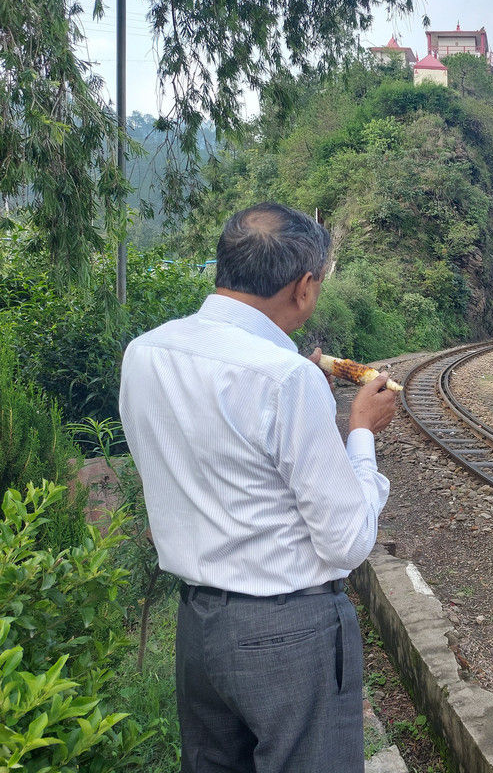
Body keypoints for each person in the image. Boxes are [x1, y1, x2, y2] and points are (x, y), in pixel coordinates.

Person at [119, 202, 397, 773]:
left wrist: (305, 384)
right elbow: (346, 540)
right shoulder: (287, 380)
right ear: (303, 287)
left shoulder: (146, 352)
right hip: (289, 634)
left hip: (199, 626)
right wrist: (361, 433)